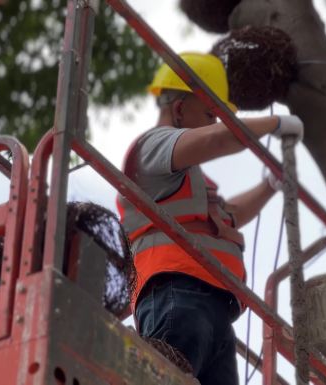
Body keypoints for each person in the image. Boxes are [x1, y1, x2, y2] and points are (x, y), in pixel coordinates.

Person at [117, 52, 303, 384]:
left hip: (213, 309)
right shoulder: (153, 149)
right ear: (178, 109)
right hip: (175, 293)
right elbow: (221, 139)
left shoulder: (188, 184)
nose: (216, 123)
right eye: (210, 113)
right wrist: (275, 124)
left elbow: (228, 218)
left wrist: (271, 185)